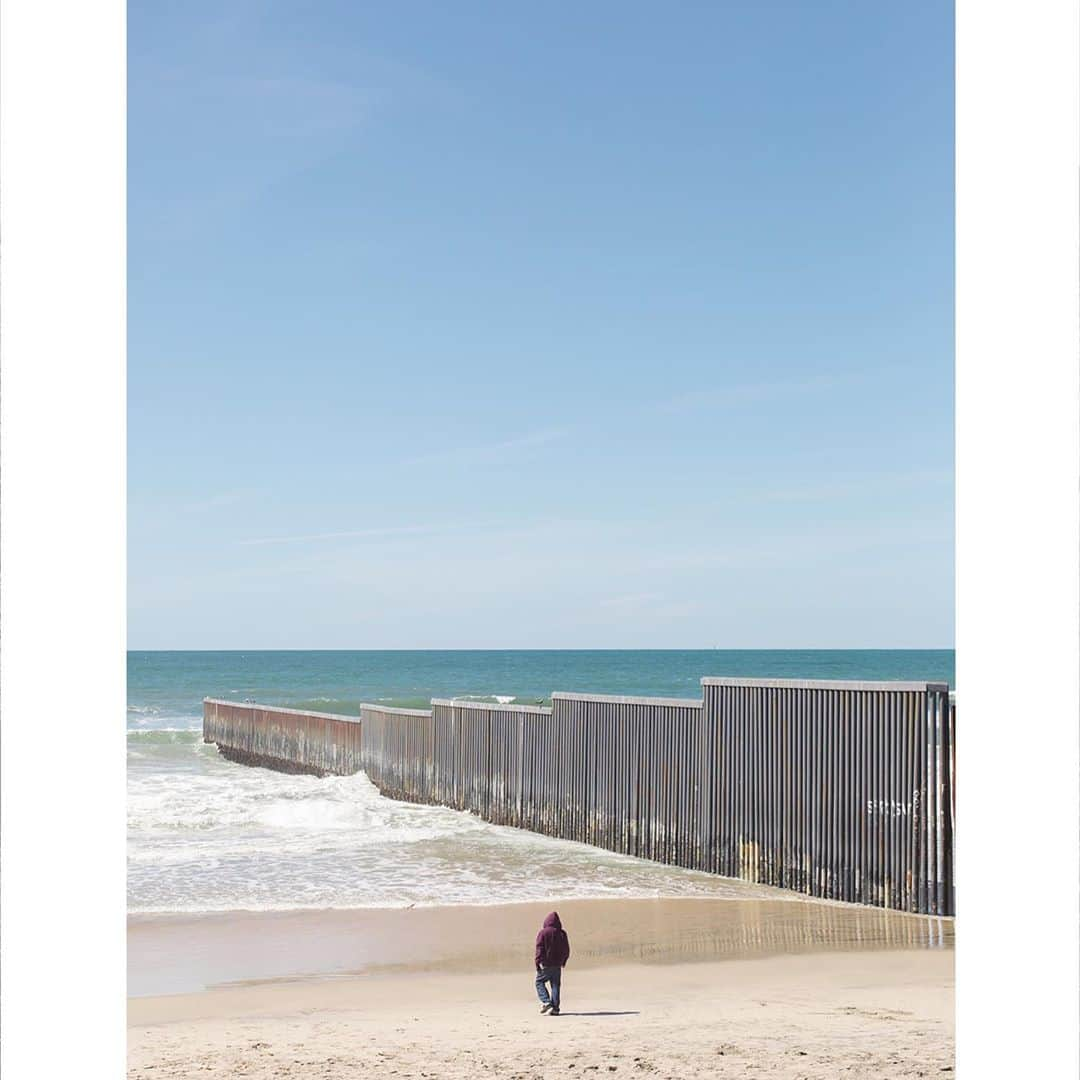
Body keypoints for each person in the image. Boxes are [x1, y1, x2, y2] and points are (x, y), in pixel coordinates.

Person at [534, 910, 570, 1016]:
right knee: (555, 986)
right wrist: (563, 961)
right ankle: (555, 1008)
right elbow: (566, 949)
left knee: (539, 982)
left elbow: (539, 948)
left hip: (546, 964)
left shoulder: (543, 933)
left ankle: (546, 1002)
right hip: (557, 965)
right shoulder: (562, 933)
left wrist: (537, 961)